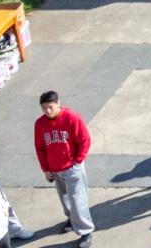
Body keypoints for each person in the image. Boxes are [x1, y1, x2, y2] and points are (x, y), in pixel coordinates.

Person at [34, 92, 92, 247]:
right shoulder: (40, 124)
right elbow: (40, 148)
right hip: (55, 168)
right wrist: (46, 169)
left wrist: (78, 161)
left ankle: (86, 231)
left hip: (72, 167)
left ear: (58, 103)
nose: (47, 111)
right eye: (44, 108)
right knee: (65, 198)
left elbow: (84, 140)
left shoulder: (72, 117)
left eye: (50, 107)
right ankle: (72, 219)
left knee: (77, 200)